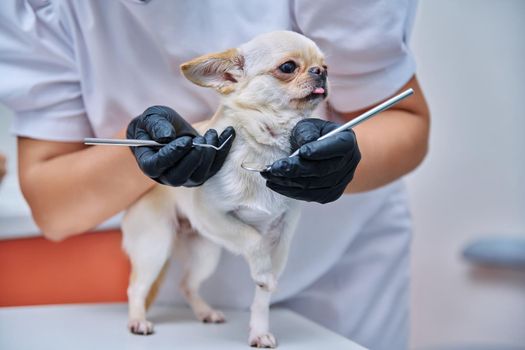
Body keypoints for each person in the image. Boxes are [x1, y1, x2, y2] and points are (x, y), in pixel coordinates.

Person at [0, 1, 430, 349]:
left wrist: (344, 161)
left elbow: (405, 120)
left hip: (338, 278)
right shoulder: (37, 10)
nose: (315, 75)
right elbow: (53, 208)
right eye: (288, 69)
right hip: (188, 302)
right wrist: (146, 150)